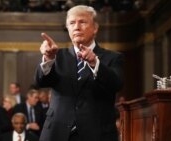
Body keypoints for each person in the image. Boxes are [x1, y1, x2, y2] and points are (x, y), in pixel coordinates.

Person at [34, 5, 124, 141]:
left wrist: (95, 63)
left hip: (97, 133)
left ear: (95, 28)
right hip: (57, 132)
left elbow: (116, 84)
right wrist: (48, 59)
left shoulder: (113, 57)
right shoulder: (57, 55)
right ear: (68, 28)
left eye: (82, 22)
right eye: (72, 23)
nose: (76, 27)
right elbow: (41, 82)